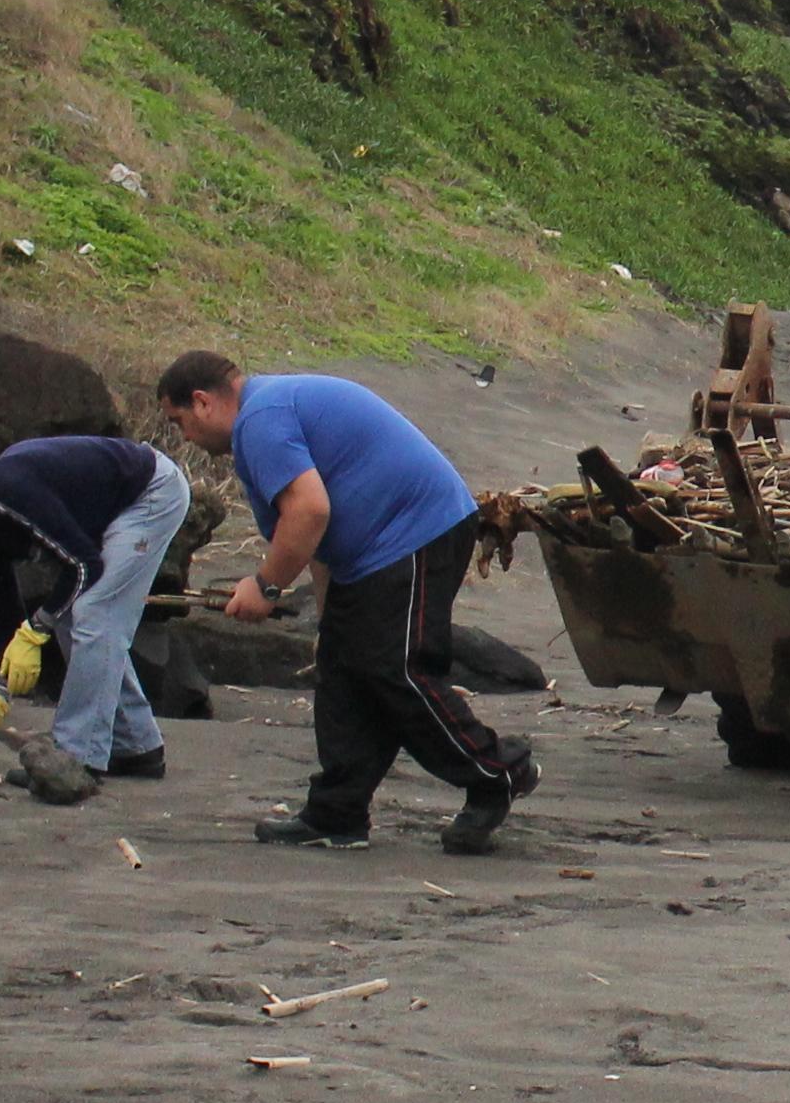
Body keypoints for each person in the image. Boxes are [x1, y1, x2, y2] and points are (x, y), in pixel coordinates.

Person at [155, 350, 533, 855]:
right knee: (342, 672)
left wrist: (265, 586)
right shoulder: (266, 413)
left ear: (202, 402)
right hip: (374, 551)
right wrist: (330, 618)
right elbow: (319, 536)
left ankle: (498, 770)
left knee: (396, 670)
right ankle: (337, 814)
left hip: (418, 531)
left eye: (179, 422)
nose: (185, 438)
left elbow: (309, 512)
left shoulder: (260, 419)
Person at [0, 431, 189, 778]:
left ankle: (74, 758)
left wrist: (36, 629)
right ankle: (136, 747)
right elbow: (5, 615)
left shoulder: (7, 496)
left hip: (149, 493)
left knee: (93, 613)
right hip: (109, 512)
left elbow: (85, 565)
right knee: (67, 614)